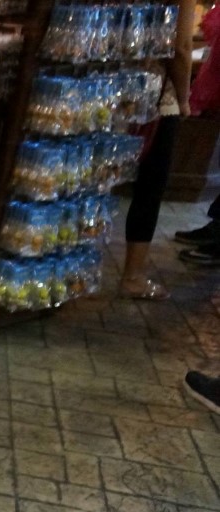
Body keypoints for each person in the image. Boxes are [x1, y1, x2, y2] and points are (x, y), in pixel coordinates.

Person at [120, 0, 195, 298]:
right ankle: (133, 277)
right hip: (154, 95)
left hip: (107, 86)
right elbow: (182, 47)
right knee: (150, 185)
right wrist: (184, 99)